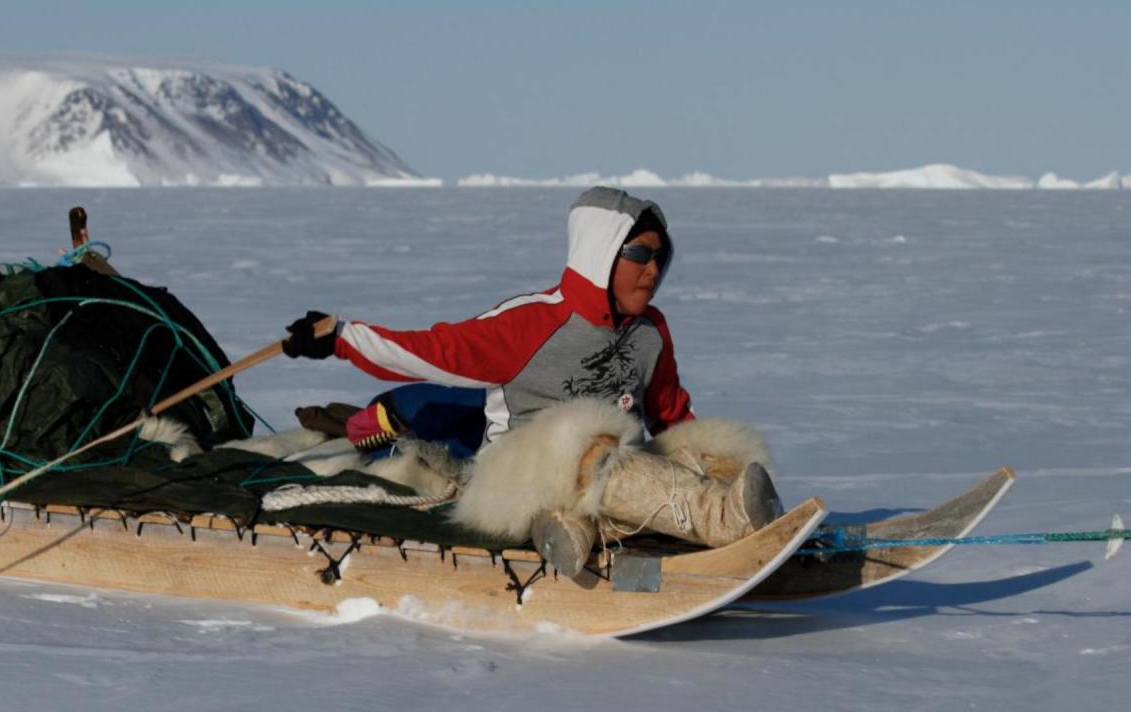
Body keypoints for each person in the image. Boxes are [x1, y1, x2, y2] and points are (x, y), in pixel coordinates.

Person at [283, 187, 780, 575]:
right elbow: (432, 352)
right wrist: (341, 337)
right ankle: (721, 521)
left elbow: (670, 413)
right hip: (515, 483)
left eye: (662, 258)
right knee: (582, 439)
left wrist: (711, 462)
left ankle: (589, 528)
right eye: (640, 254)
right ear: (601, 254)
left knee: (708, 445)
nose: (653, 270)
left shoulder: (650, 330)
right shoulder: (532, 324)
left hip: (612, 480)